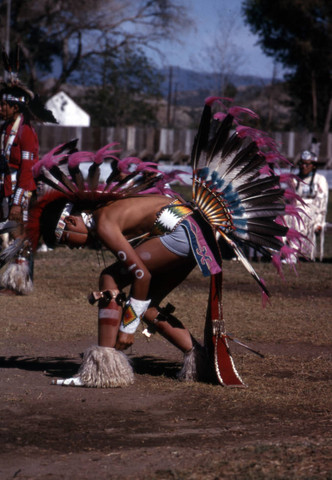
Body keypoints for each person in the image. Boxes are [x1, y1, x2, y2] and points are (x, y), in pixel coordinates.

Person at [24, 98, 301, 388]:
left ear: (70, 221)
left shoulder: (104, 222)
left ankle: (104, 368)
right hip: (197, 237)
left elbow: (140, 274)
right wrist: (135, 315)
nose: (74, 247)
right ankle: (200, 362)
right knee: (150, 307)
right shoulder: (106, 215)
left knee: (110, 276)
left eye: (66, 240)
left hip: (184, 232)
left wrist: (128, 329)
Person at [0, 48, 56, 294]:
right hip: (5, 186)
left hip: (20, 190)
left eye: (4, 104)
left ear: (15, 107)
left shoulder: (26, 132)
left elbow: (27, 168)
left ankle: (20, 282)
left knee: (20, 235)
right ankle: (12, 279)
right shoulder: (5, 129)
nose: (0, 108)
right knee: (9, 234)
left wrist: (17, 201)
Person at [287, 150, 329, 261]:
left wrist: (319, 222)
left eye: (307, 164)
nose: (303, 166)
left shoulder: (319, 180)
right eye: (301, 163)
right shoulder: (294, 180)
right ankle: (280, 251)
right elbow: (290, 200)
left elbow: (322, 203)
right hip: (297, 210)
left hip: (312, 213)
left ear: (313, 166)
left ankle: (292, 254)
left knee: (299, 214)